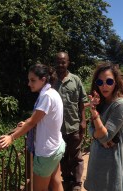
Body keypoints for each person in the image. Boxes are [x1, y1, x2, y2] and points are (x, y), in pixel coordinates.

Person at [0, 64, 65, 191]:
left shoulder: (46, 96)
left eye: (33, 80)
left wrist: (11, 137)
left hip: (47, 152)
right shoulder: (52, 92)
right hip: (57, 146)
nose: (29, 83)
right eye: (29, 80)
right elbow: (39, 118)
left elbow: (32, 122)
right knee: (56, 183)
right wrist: (28, 122)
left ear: (43, 79)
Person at [84, 62, 123, 191]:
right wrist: (97, 134)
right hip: (97, 158)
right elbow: (91, 130)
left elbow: (105, 136)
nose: (104, 86)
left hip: (111, 163)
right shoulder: (102, 102)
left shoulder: (120, 105)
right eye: (100, 82)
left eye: (109, 81)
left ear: (116, 82)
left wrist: (94, 114)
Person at [52, 52, 88, 190]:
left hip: (74, 124)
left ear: (68, 62)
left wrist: (83, 121)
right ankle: (67, 180)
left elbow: (81, 102)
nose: (61, 65)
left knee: (76, 156)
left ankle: (77, 183)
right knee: (63, 156)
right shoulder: (51, 81)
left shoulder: (76, 80)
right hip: (57, 129)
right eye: (58, 62)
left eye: (63, 62)